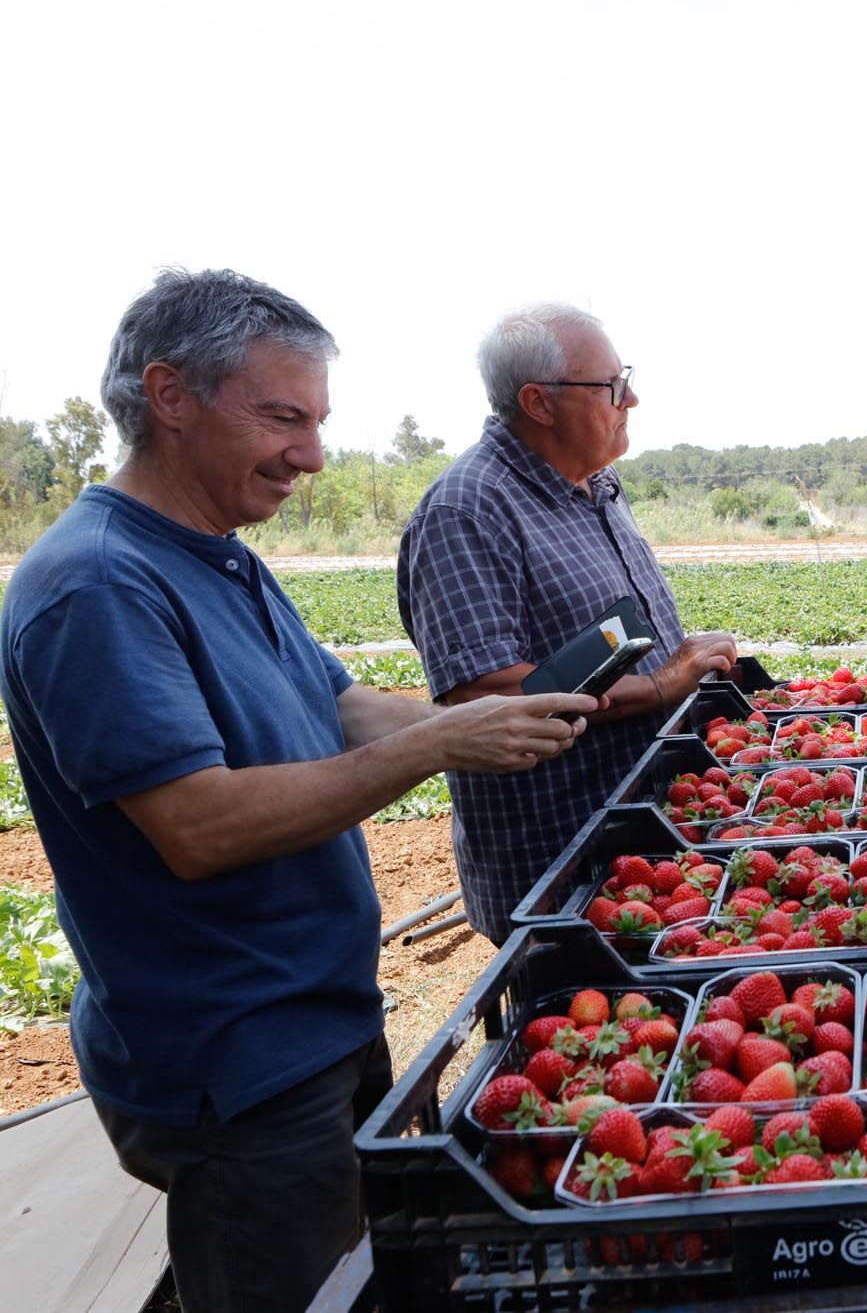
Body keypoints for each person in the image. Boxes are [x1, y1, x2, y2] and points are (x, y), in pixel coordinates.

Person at [0, 269, 597, 1313]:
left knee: (320, 1270)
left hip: (310, 1016)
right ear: (170, 395)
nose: (311, 455)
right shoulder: (99, 584)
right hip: (233, 1054)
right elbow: (198, 824)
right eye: (282, 417)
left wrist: (508, 721)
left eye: (316, 421)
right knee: (291, 1285)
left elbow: (341, 706)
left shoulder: (219, 557)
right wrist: (441, 742)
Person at [398, 303, 737, 942]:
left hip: (641, 831)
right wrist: (663, 685)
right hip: (560, 859)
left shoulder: (597, 484)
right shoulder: (468, 511)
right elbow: (487, 692)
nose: (630, 397)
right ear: (539, 403)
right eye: (610, 385)